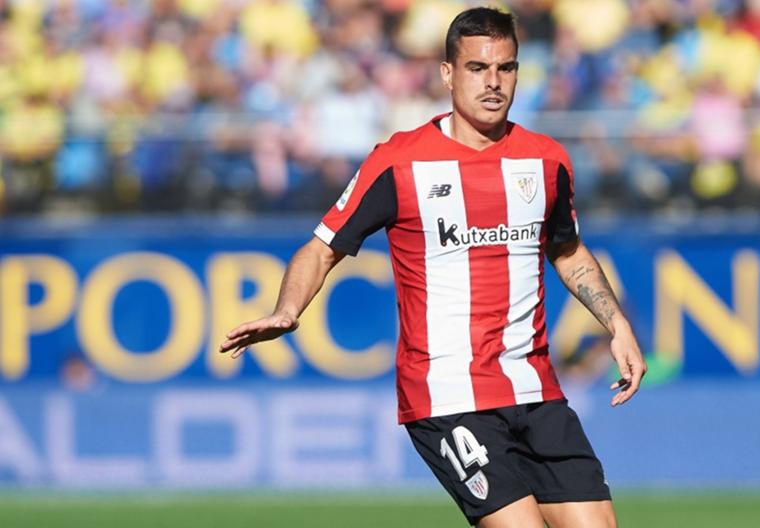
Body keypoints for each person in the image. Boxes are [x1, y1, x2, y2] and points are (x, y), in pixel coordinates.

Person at [219, 7, 646, 527]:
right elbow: (322, 246)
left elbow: (567, 250)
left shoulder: (546, 160)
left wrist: (617, 324)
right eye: (477, 68)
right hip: (447, 395)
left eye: (505, 68)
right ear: (448, 73)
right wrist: (288, 309)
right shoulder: (400, 162)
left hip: (534, 386)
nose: (493, 82)